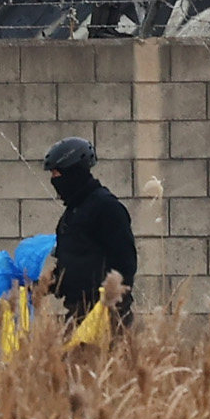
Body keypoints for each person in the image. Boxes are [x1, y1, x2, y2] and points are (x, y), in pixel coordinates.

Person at [41, 137, 136, 329]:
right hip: (78, 311)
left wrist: (107, 305)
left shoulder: (106, 208)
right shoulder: (73, 212)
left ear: (73, 172)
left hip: (105, 314)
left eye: (57, 174)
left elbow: (125, 264)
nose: (54, 180)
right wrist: (41, 286)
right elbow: (73, 263)